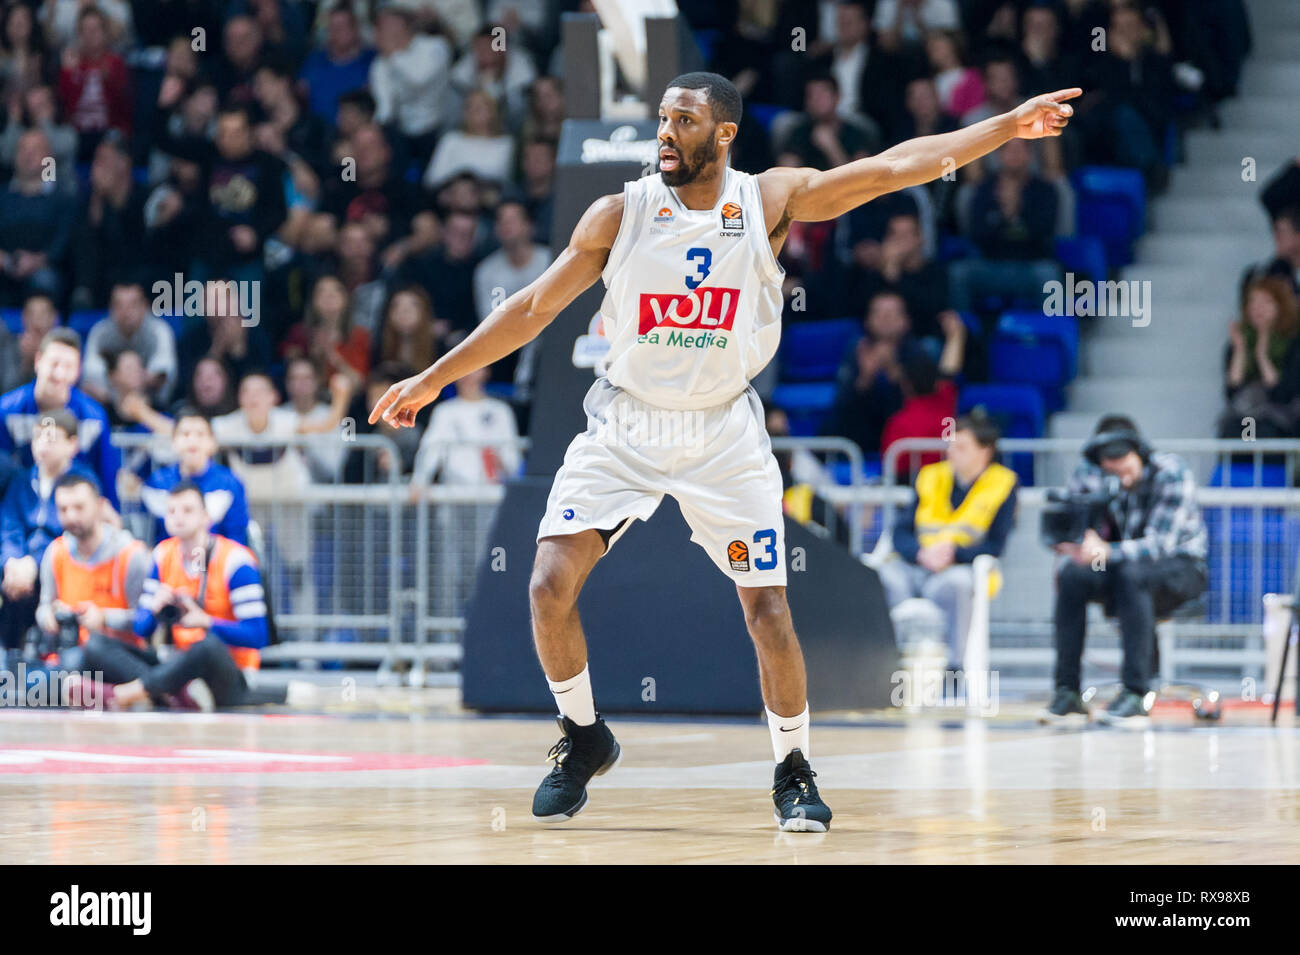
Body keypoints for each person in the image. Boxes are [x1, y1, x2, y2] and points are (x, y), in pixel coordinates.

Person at [370, 70, 1081, 830]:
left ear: (725, 132)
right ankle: (583, 736)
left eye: (683, 120)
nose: (666, 133)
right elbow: (535, 308)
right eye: (662, 120)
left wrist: (1005, 126)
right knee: (547, 583)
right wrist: (435, 377)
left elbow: (894, 166)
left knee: (769, 610)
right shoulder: (620, 212)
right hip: (627, 422)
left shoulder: (768, 201)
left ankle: (795, 769)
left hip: (722, 431)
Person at [68, 481, 301, 711]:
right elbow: (141, 630)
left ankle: (126, 694)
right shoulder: (162, 555)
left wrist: (206, 622)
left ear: (206, 517)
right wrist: (153, 611)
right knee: (96, 645)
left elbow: (258, 636)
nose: (178, 517)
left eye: (188, 510)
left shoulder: (235, 561)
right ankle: (172, 694)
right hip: (177, 664)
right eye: (171, 511)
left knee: (207, 646)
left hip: (229, 670)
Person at [1043, 416, 1208, 726]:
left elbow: (1160, 546)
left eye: (1121, 458)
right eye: (1108, 461)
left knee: (1133, 574)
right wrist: (1075, 545)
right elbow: (1073, 521)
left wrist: (1105, 551)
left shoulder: (1171, 473)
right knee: (1072, 576)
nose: (1115, 468)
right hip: (1122, 567)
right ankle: (1067, 692)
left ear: (1140, 451)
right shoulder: (1093, 474)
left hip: (1182, 568)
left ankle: (1135, 692)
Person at [877, 413, 1016, 668]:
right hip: (915, 564)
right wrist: (920, 553)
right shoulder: (930, 475)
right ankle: (886, 665)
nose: (952, 452)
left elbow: (996, 545)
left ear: (985, 451)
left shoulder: (1003, 483)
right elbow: (900, 531)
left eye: (961, 447)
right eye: (950, 445)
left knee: (960, 585)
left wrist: (954, 553)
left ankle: (955, 669)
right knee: (883, 576)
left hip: (957, 569)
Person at [0, 410, 100, 651]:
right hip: (18, 569)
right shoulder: (21, 480)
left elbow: (72, 531)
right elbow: (9, 526)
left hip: (59, 565)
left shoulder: (83, 483)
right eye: (38, 438)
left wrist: (34, 564)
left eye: (51, 438)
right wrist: (11, 561)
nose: (43, 445)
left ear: (72, 444)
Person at [0, 328, 121, 510]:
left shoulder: (93, 417)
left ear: (78, 371)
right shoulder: (7, 410)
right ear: (38, 361)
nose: (59, 374)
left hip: (73, 512)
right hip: (16, 510)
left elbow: (105, 476)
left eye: (68, 366)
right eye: (54, 363)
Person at [142, 409, 250, 546]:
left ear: (213, 443)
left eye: (200, 434)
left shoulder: (230, 483)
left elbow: (237, 536)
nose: (192, 441)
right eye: (185, 434)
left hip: (215, 561)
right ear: (173, 441)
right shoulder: (157, 483)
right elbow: (147, 535)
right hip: (170, 562)